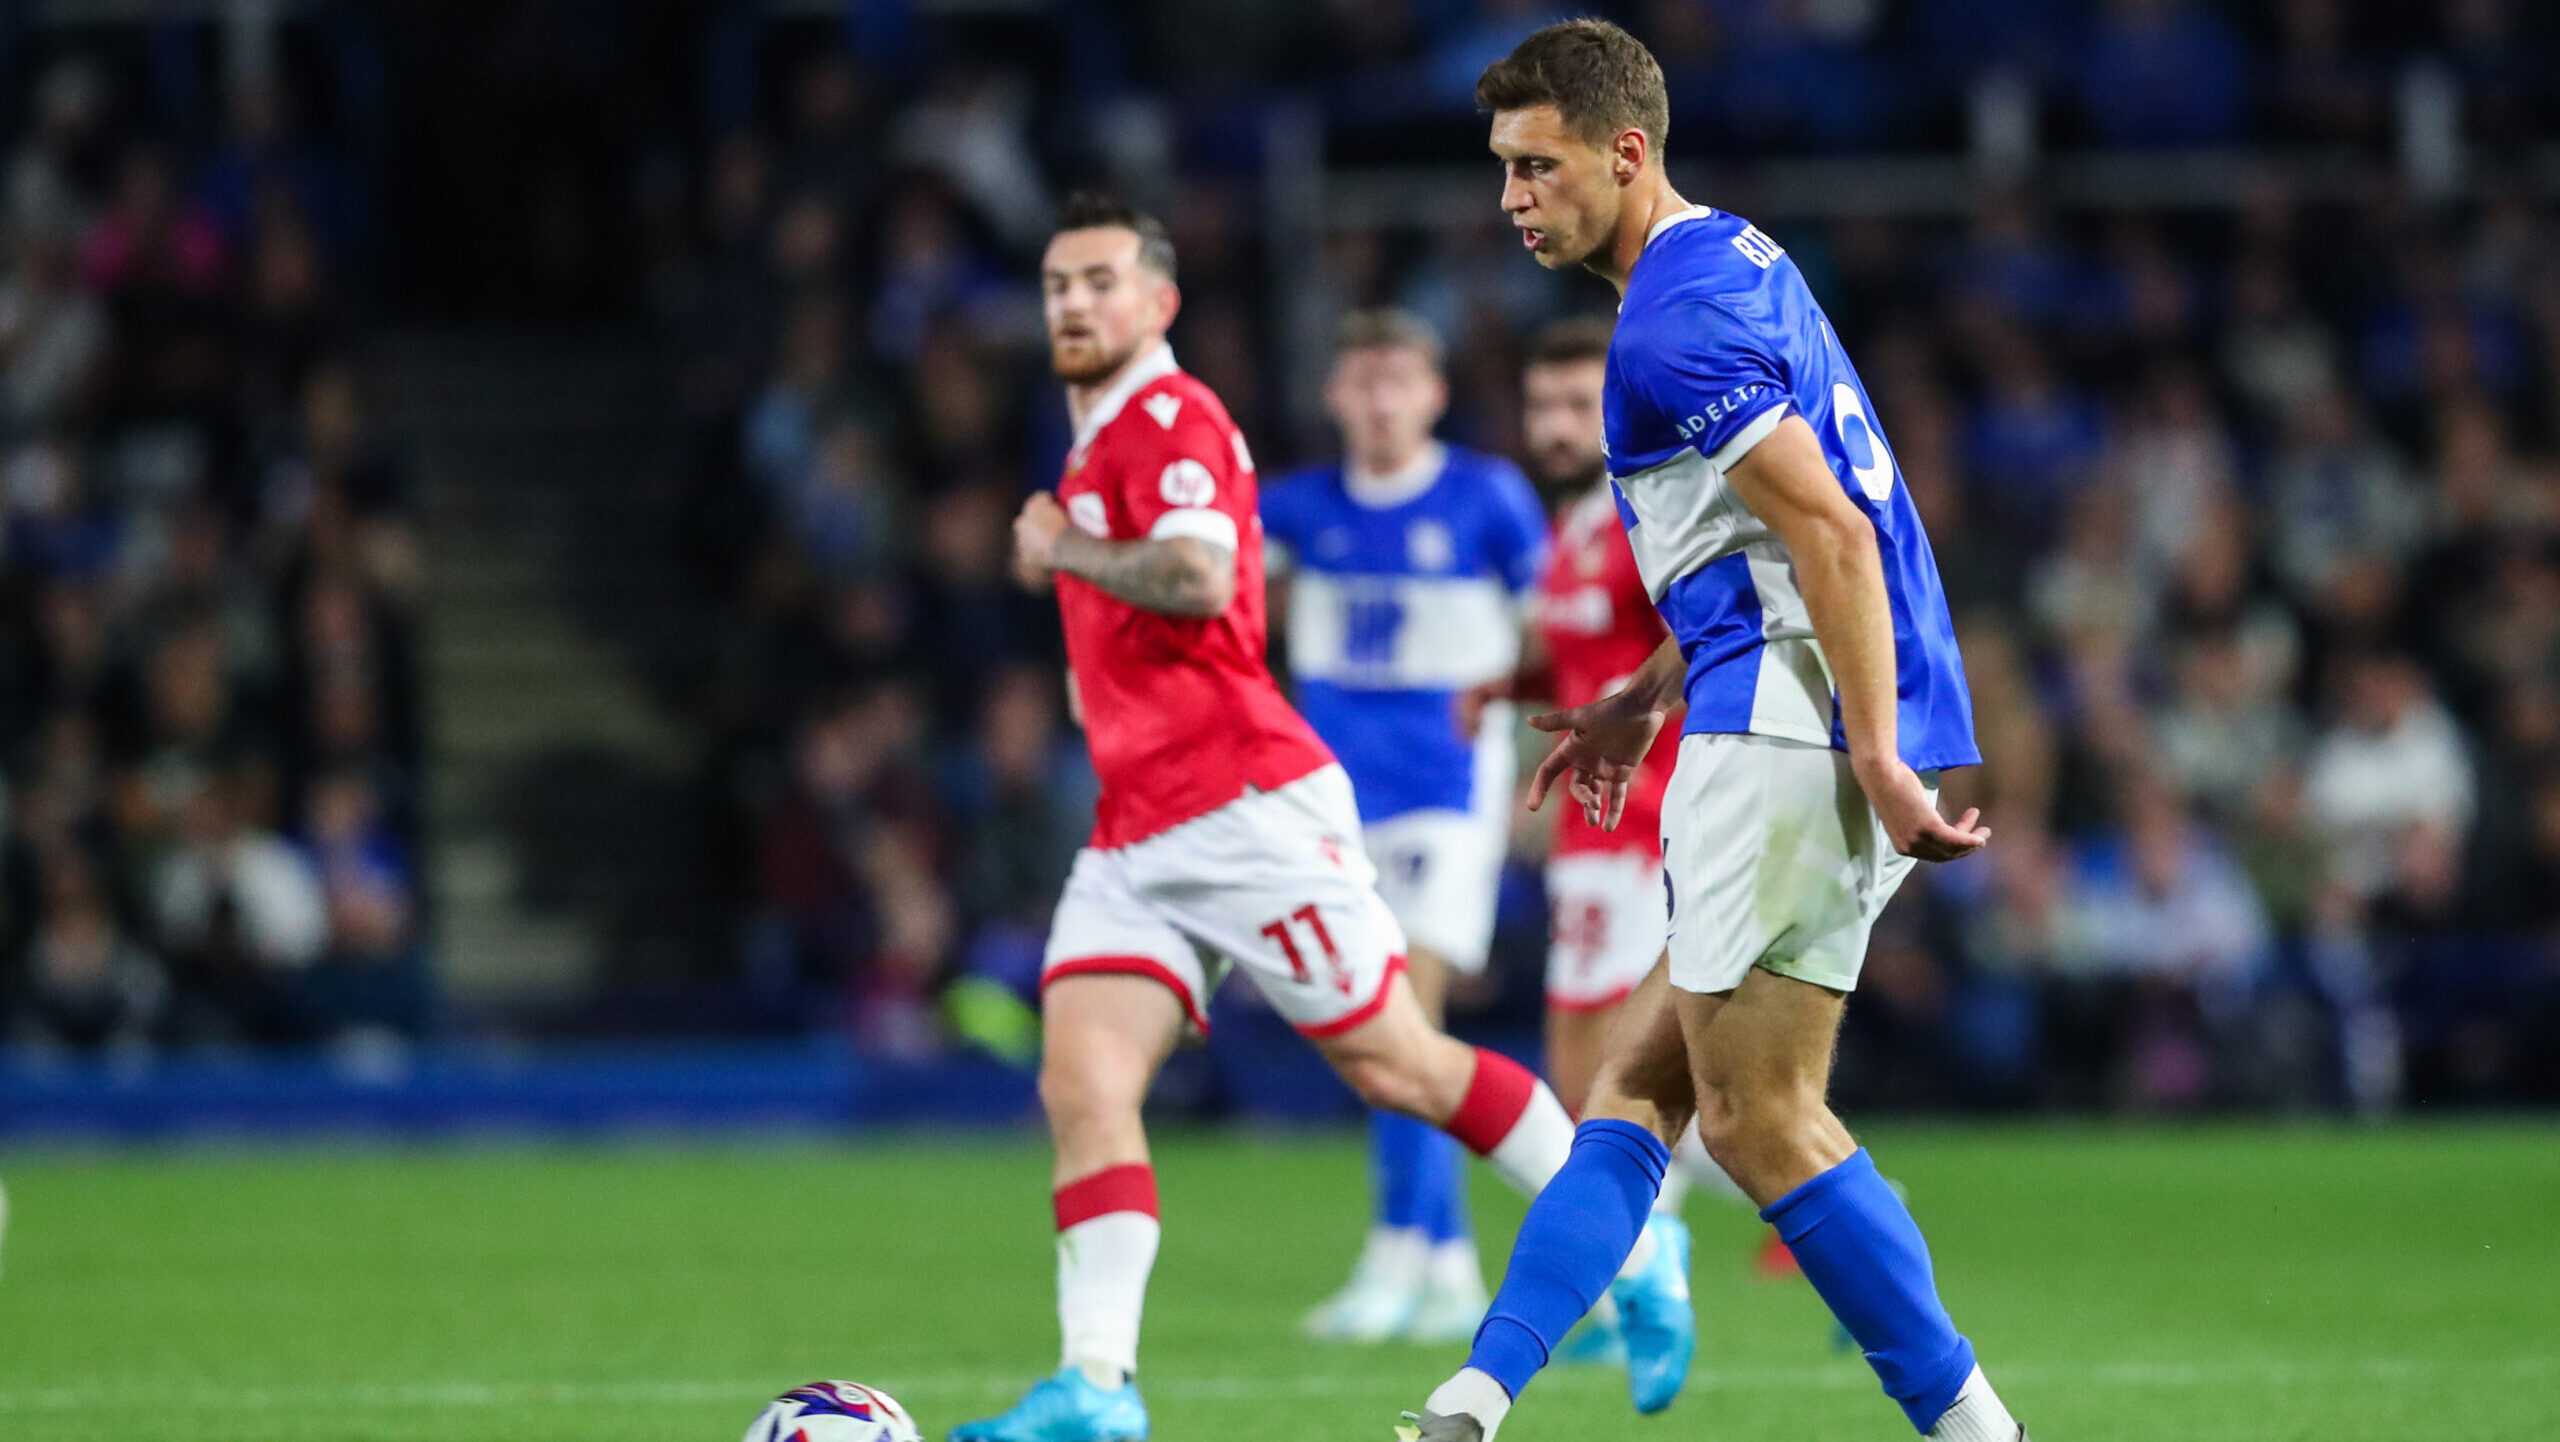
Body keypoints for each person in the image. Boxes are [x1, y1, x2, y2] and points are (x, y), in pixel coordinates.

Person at [953, 194, 1680, 1442]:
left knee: (1401, 1059)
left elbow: (1191, 572)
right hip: (1139, 825)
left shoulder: (1168, 418)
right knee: (1083, 1076)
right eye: (1058, 283)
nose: (1074, 302)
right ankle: (1097, 1386)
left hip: (1245, 807)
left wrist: (1069, 548)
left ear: (1159, 302)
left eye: (1101, 281)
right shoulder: (1108, 439)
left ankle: (1630, 1244)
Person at [1399, 22, 2023, 1442]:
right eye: (1503, 169)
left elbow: (1835, 535)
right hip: (1786, 700)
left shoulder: (1671, 326)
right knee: (1639, 1080)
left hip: (1790, 731)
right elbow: (1762, 551)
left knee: (1759, 1118)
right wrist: (1640, 691)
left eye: (1537, 166)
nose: (1512, 199)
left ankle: (1980, 1426)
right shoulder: (1732, 256)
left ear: (1626, 154)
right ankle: (1476, 1393)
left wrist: (1872, 755)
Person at [1261, 307, 1550, 1345]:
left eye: (1399, 382)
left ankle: (1394, 1255)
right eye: (1362, 381)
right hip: (1329, 798)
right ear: (1336, 394)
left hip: (1444, 789)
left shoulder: (1487, 500)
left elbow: (1548, 631)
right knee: (1379, 1031)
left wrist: (1532, 765)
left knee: (1401, 1017)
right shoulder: (1294, 508)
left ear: (1432, 394)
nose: (1380, 402)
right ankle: (1448, 1267)